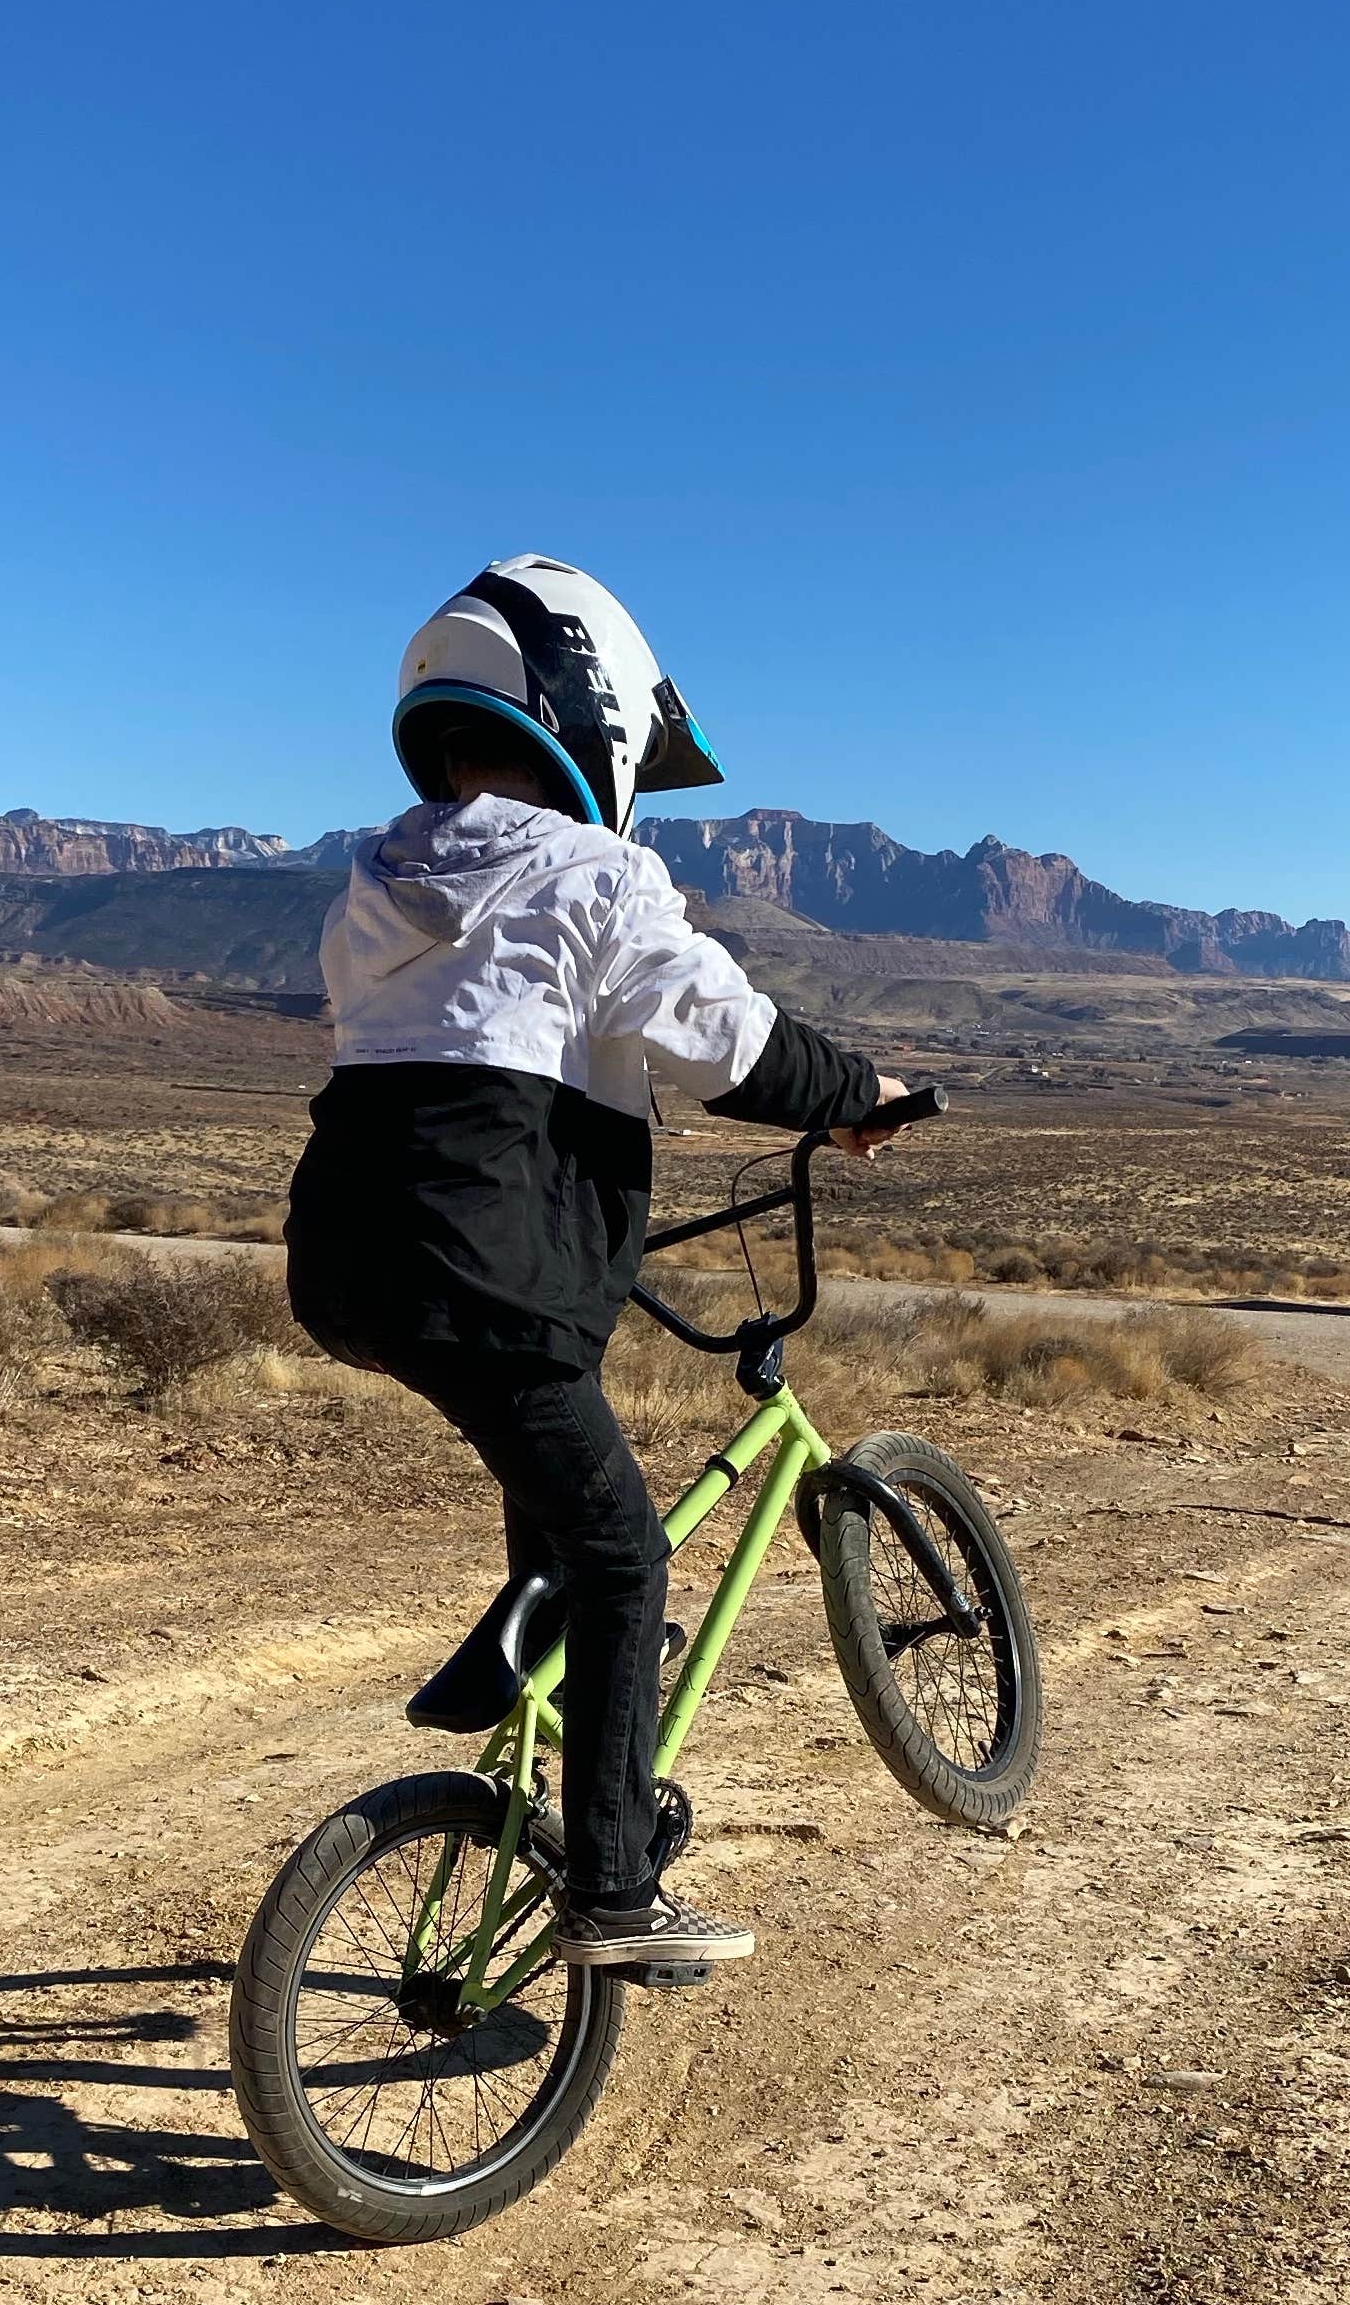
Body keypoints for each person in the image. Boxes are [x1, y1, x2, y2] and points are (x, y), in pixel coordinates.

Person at [285, 556, 905, 1974]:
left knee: (556, 1505)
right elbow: (729, 1045)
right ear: (594, 712)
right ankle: (616, 1888)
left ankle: (525, 1665)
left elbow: (491, 1052)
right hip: (486, 1278)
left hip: (352, 1263)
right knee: (626, 1555)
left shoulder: (374, 885)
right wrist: (856, 1092)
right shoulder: (593, 874)